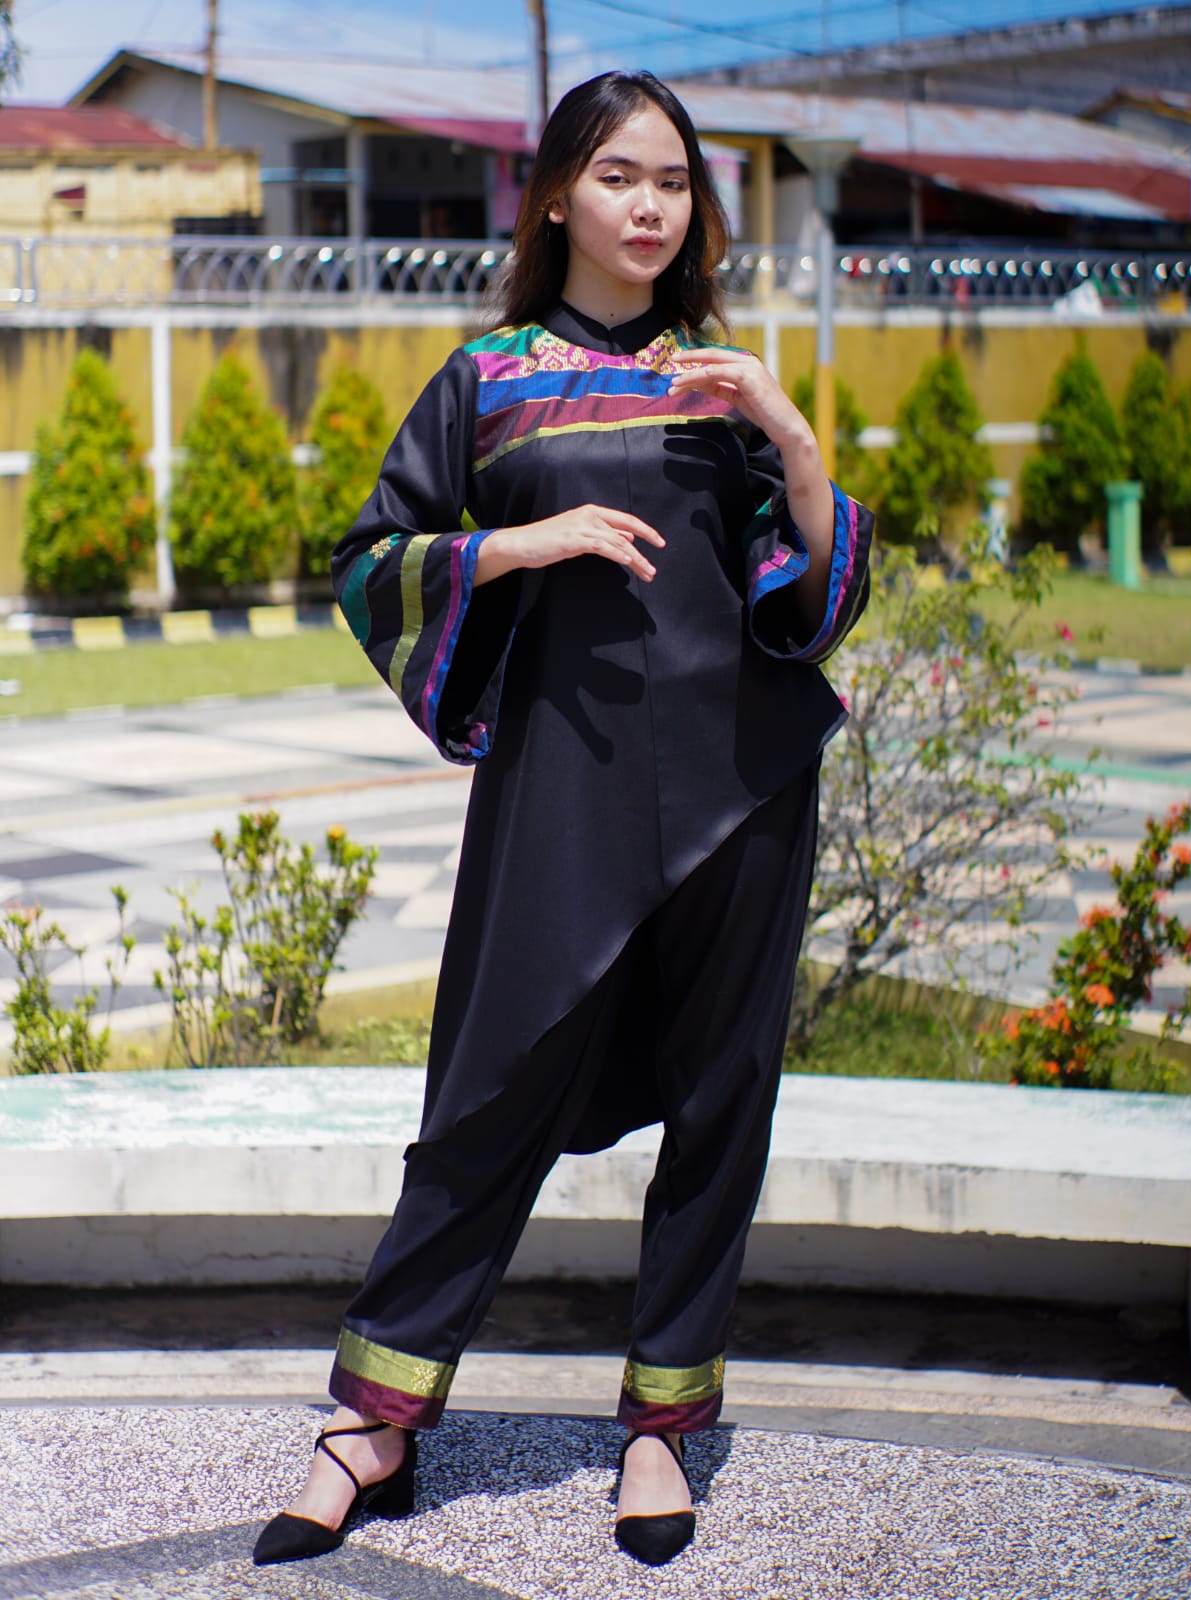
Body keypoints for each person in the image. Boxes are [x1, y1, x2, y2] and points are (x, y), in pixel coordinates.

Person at [253, 68, 873, 1572]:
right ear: (552, 199)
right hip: (561, 791)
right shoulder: (485, 379)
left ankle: (663, 1424)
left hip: (741, 784)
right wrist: (519, 545)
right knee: (487, 1088)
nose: (650, 206)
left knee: (723, 1099)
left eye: (674, 181)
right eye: (618, 177)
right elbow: (370, 563)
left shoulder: (723, 382)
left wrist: (793, 438)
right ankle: (376, 1419)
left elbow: (813, 598)